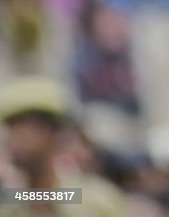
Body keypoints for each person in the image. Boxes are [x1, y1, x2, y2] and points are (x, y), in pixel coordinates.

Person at [0, 76, 126, 216]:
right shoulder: (9, 205)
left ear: (53, 134)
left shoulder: (95, 201)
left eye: (26, 133)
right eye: (12, 130)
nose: (15, 143)